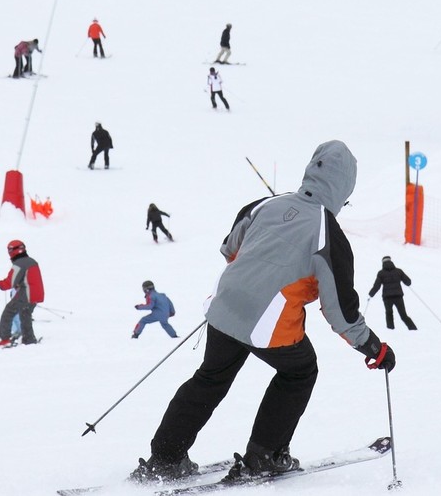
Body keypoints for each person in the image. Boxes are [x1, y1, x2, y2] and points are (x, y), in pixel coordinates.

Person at [129, 140, 395, 484]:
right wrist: (374, 347)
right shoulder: (329, 233)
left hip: (224, 309)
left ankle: (164, 459)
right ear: (344, 189)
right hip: (267, 324)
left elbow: (229, 247)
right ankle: (264, 455)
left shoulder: (266, 204)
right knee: (300, 372)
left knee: (210, 378)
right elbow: (340, 313)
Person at [0, 240, 44, 347]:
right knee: (25, 314)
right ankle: (29, 339)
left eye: (10, 250)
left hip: (27, 294)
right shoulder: (31, 261)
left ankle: (4, 339)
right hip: (37, 294)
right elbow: (28, 278)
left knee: (8, 312)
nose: (9, 252)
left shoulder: (19, 263)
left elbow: (9, 283)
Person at [367, 256, 417, 330]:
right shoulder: (398, 271)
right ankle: (413, 329)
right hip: (398, 296)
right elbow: (408, 282)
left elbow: (377, 286)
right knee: (403, 314)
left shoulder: (381, 273)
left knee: (389, 313)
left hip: (387, 297)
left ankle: (390, 329)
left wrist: (371, 294)